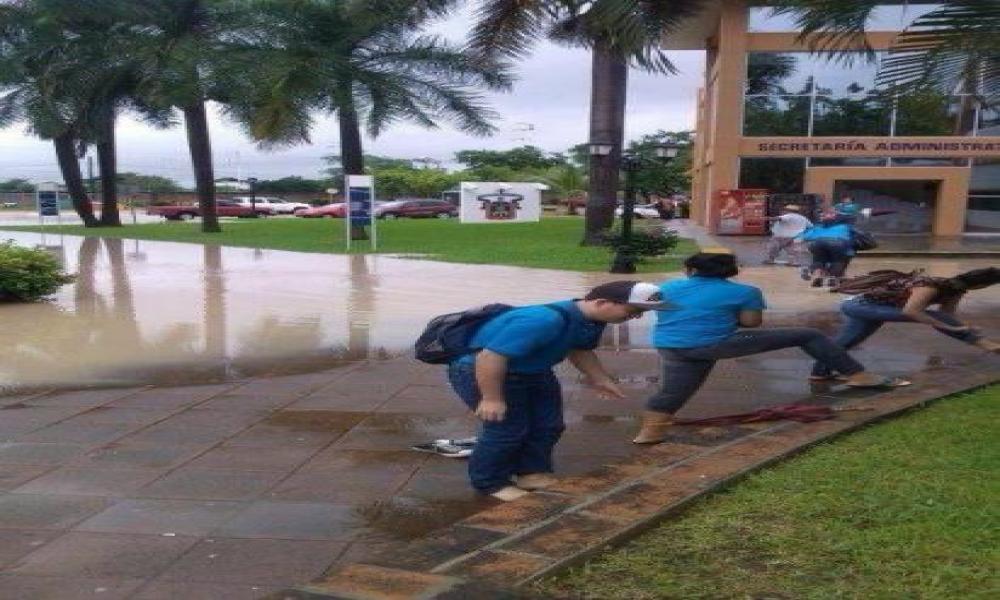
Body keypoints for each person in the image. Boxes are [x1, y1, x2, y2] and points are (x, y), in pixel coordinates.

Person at [633, 253, 901, 444]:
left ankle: (649, 433)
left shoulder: (667, 287)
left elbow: (664, 311)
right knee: (808, 334)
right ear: (731, 272)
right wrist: (726, 314)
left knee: (672, 392)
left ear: (690, 270)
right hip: (714, 344)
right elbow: (751, 322)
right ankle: (857, 375)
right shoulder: (745, 292)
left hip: (670, 346)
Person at [449, 281, 670, 501]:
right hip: (486, 372)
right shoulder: (544, 320)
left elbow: (579, 349)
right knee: (507, 430)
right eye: (634, 311)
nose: (637, 317)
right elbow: (490, 357)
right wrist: (492, 398)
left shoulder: (592, 319)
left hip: (535, 371)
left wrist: (600, 378)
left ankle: (531, 472)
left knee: (548, 424)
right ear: (602, 302)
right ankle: (489, 482)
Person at [811, 267, 1000, 379]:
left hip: (873, 308)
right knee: (931, 317)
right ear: (982, 285)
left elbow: (946, 314)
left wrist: (964, 326)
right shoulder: (930, 285)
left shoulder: (955, 290)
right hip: (859, 306)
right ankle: (988, 345)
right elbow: (911, 312)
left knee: (847, 341)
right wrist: (952, 328)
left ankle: (820, 373)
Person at [798, 211, 856, 288]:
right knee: (838, 261)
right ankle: (833, 278)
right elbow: (858, 238)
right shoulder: (846, 226)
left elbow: (805, 236)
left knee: (819, 260)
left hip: (818, 243)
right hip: (838, 244)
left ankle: (818, 276)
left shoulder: (818, 226)